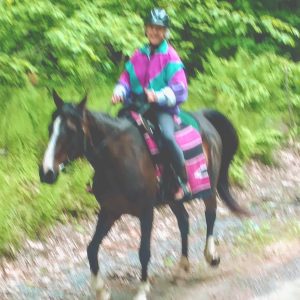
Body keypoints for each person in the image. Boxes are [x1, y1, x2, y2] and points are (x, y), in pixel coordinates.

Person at [111, 8, 191, 201]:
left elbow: (181, 88)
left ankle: (183, 182)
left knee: (167, 137)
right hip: (138, 106)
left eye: (159, 28)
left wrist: (158, 96)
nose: (155, 32)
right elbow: (126, 79)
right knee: (115, 132)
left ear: (165, 32)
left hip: (162, 109)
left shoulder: (171, 56)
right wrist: (119, 92)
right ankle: (111, 178)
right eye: (151, 27)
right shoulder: (138, 54)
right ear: (145, 29)